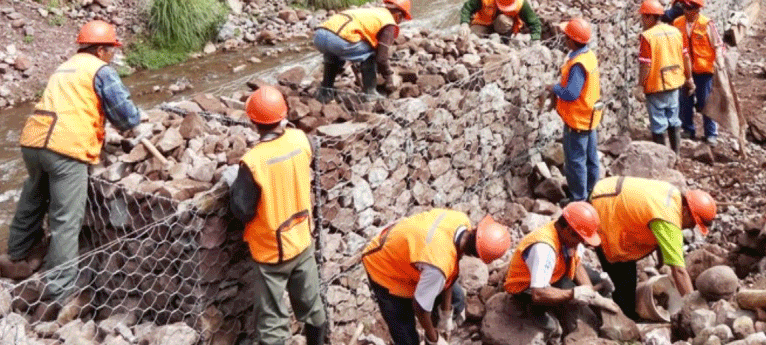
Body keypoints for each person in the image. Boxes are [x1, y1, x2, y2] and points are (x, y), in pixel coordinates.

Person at [6, 20, 142, 306]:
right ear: (102, 50)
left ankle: (16, 254)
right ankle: (62, 290)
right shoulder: (100, 71)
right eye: (112, 49)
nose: (114, 55)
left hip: (33, 140)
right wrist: (134, 122)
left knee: (34, 194)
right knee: (67, 219)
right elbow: (125, 115)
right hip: (66, 147)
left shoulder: (66, 66)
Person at [229, 86, 327, 345]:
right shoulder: (299, 139)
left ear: (253, 122)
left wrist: (233, 184)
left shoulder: (253, 161)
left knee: (272, 324)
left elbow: (242, 210)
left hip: (271, 251)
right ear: (283, 115)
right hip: (302, 239)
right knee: (312, 307)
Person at [363, 209, 512, 345]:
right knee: (405, 335)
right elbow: (420, 306)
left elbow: (451, 269)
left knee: (457, 299)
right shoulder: (438, 265)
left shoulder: (461, 221)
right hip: (384, 266)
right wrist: (433, 338)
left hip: (412, 254)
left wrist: (446, 314)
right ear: (476, 255)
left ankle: (437, 325)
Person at [589, 176, 717, 320]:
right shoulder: (668, 221)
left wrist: (662, 265)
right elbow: (679, 271)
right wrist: (693, 309)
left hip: (609, 189)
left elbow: (658, 231)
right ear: (687, 212)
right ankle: (622, 321)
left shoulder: (673, 195)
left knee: (628, 276)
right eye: (693, 223)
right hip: (604, 208)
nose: (690, 227)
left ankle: (623, 310)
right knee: (622, 276)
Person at [503, 202, 618, 335]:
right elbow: (538, 293)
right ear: (569, 231)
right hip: (526, 287)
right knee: (569, 293)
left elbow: (577, 264)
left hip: (555, 272)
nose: (583, 243)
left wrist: (593, 294)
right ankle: (538, 313)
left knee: (596, 280)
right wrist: (573, 294)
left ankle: (601, 319)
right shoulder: (544, 249)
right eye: (581, 239)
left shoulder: (568, 236)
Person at [313, 0, 412, 101]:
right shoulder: (388, 22)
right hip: (337, 41)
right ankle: (370, 94)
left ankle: (326, 91)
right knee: (373, 52)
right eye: (402, 18)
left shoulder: (373, 12)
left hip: (319, 36)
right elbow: (381, 58)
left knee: (332, 55)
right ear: (398, 15)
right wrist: (388, 77)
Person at [547, 18, 602, 203]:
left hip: (577, 120)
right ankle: (591, 192)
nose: (564, 39)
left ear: (571, 40)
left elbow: (571, 93)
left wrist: (554, 88)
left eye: (566, 36)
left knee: (575, 161)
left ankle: (578, 199)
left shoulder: (578, 64)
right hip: (590, 117)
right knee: (591, 158)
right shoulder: (589, 56)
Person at [638, 0, 693, 154]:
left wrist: (640, 85)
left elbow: (646, 64)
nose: (642, 20)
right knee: (674, 119)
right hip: (674, 82)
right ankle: (676, 154)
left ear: (650, 17)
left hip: (656, 84)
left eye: (643, 17)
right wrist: (688, 79)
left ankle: (662, 158)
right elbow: (686, 57)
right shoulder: (675, 31)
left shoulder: (647, 36)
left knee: (658, 123)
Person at [673, 0, 724, 144]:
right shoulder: (678, 23)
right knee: (685, 101)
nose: (686, 11)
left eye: (689, 8)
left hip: (704, 71)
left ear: (697, 10)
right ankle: (688, 129)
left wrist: (720, 61)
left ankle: (711, 133)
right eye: (684, 8)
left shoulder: (707, 24)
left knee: (706, 102)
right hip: (685, 70)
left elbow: (718, 45)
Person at [458, 0, 542, 42]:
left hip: (503, 27)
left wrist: (535, 38)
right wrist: (464, 23)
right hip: (483, 23)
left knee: (503, 19)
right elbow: (467, 8)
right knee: (470, 38)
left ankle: (504, 41)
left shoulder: (520, 1)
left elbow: (534, 22)